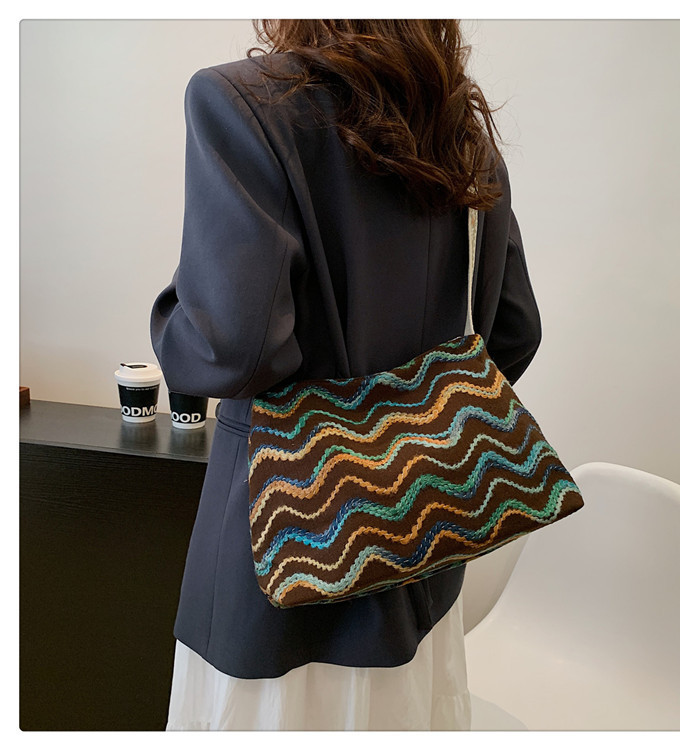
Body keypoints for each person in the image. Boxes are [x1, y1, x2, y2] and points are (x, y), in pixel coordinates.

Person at [150, 19, 542, 731]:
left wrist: (175, 316)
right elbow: (513, 332)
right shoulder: (459, 129)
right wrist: (418, 410)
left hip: (278, 572)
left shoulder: (241, 102)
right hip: (422, 573)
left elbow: (231, 349)